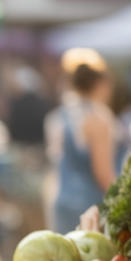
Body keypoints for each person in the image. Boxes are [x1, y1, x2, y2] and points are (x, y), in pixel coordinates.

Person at [48, 48, 116, 233]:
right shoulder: (98, 120)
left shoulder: (57, 117)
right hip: (89, 207)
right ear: (100, 83)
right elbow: (103, 174)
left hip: (60, 201)